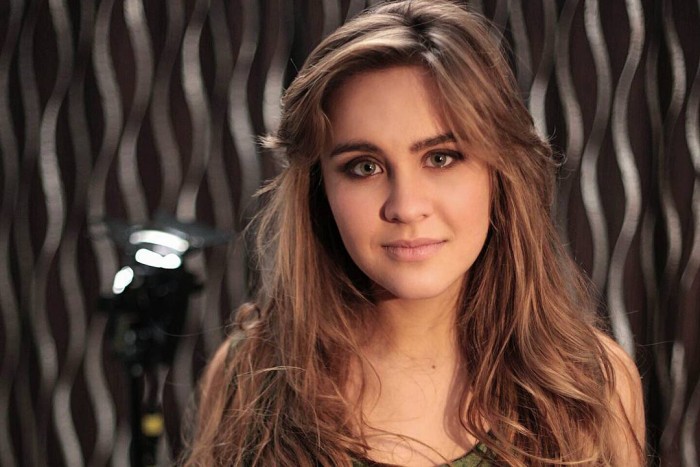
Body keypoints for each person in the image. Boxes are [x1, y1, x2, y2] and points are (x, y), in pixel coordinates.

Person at [183, 1, 645, 465]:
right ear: (320, 190)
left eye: (441, 158)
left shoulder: (592, 387)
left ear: (500, 173)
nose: (405, 207)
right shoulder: (247, 377)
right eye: (364, 167)